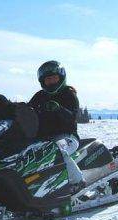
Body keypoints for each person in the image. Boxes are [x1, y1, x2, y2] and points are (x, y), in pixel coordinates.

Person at [28, 60, 86, 189]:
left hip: (67, 136)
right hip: (43, 138)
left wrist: (59, 109)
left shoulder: (68, 94)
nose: (51, 82)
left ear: (61, 78)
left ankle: (78, 181)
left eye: (54, 78)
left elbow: (72, 117)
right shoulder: (39, 96)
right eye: (48, 79)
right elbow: (27, 109)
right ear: (43, 81)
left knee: (57, 150)